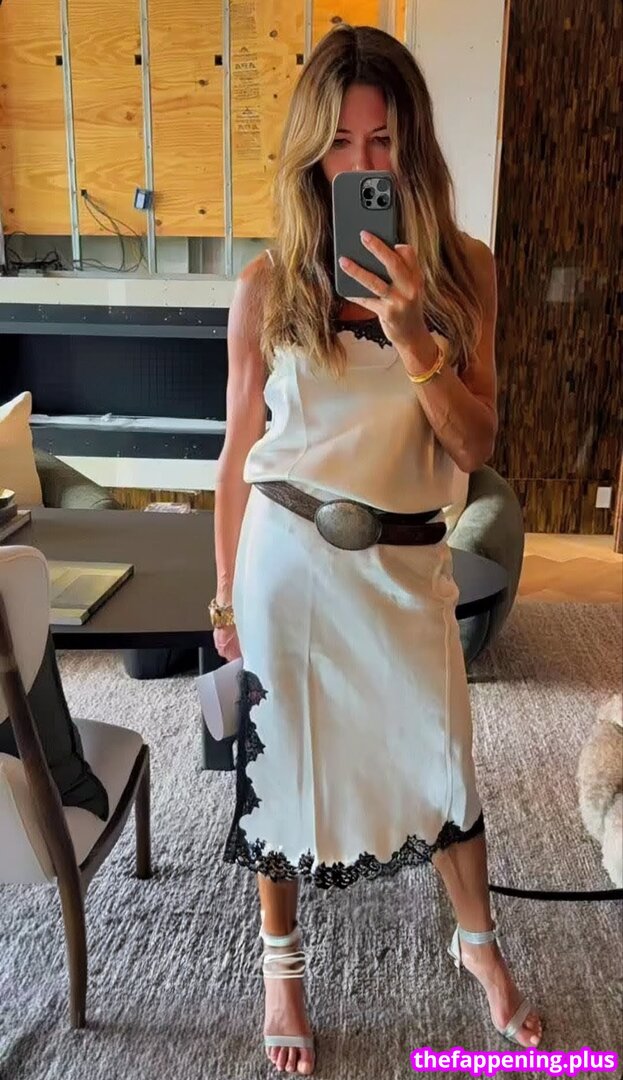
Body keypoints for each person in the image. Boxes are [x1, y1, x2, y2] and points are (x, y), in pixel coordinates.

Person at [211, 23, 543, 1076]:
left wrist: (412, 338)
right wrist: (222, 597)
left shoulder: (466, 272)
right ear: (314, 152)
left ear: (414, 144)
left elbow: (474, 446)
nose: (363, 163)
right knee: (278, 767)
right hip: (287, 559)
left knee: (443, 758)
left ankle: (475, 940)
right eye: (342, 143)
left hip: (406, 563)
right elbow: (237, 454)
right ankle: (281, 967)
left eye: (383, 140)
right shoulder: (269, 284)